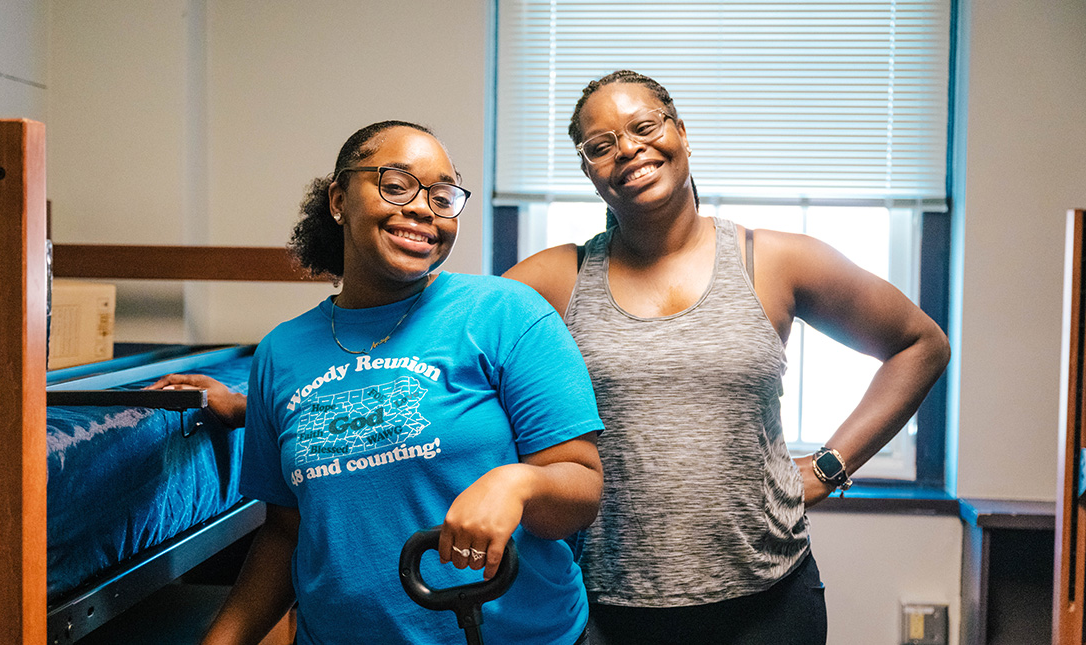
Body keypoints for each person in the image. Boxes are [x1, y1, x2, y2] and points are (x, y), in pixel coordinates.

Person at [502, 71, 951, 645]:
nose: (628, 149)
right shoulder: (555, 279)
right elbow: (455, 360)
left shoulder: (774, 260)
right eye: (601, 145)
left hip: (770, 604)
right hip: (608, 611)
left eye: (644, 126)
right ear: (589, 172)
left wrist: (829, 467)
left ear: (682, 134)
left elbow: (920, 346)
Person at [152, 120, 603, 644]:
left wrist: (517, 483)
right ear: (340, 199)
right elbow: (287, 533)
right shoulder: (282, 351)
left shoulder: (505, 313)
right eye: (396, 185)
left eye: (442, 195)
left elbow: (581, 485)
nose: (422, 208)